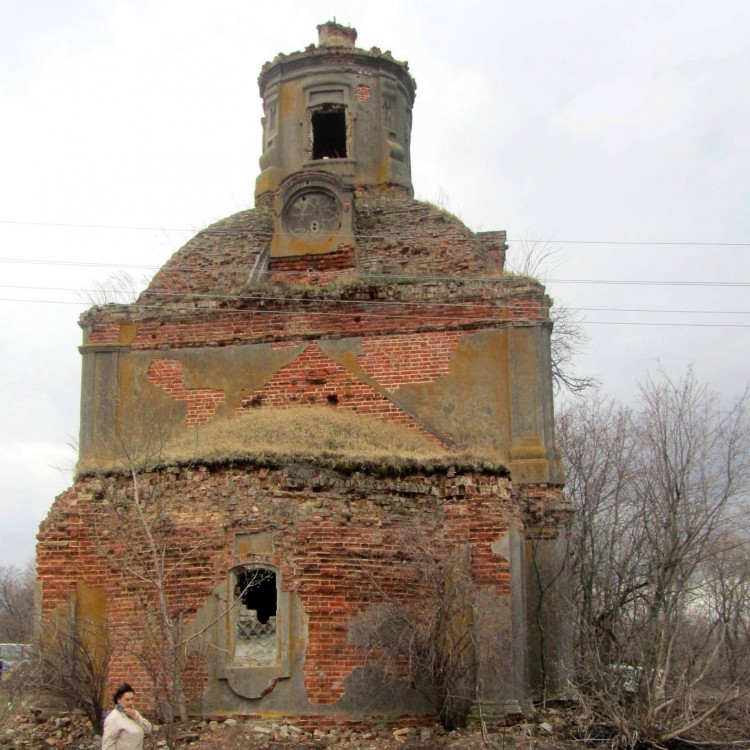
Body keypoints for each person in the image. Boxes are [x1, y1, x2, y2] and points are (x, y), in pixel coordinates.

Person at [101, 683, 152, 750]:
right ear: (118, 700)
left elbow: (148, 730)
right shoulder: (113, 718)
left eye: (132, 699)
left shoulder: (134, 713)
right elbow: (108, 744)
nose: (130, 702)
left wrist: (136, 718)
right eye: (127, 699)